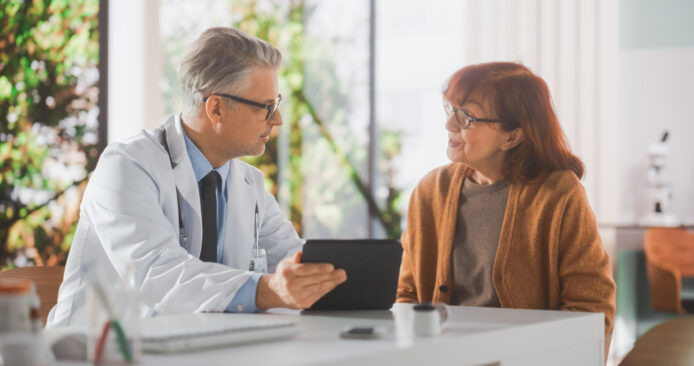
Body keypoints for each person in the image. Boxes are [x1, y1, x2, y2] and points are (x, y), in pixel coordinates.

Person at [47, 27, 346, 327]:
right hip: (93, 352)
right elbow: (158, 274)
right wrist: (266, 290)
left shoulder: (249, 184)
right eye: (266, 107)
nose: (277, 119)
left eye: (276, 104)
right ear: (216, 108)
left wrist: (346, 274)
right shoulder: (126, 167)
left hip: (195, 349)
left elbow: (293, 259)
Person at [396, 62, 616, 353]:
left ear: (512, 136)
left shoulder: (559, 193)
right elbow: (407, 295)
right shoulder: (430, 191)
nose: (449, 125)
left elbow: (591, 308)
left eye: (467, 117)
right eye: (450, 110)